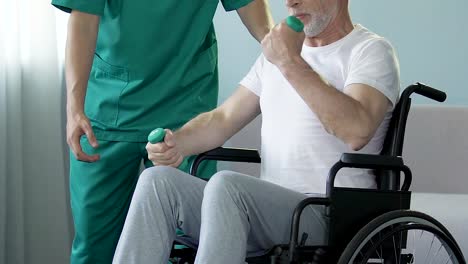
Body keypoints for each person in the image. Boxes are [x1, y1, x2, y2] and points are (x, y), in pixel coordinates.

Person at [112, 0, 400, 263]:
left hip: (329, 213)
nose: (290, 2)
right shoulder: (276, 57)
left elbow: (357, 130)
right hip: (265, 211)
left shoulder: (369, 50)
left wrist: (289, 61)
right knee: (156, 181)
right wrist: (177, 144)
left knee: (227, 186)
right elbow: (223, 118)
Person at [51, 0, 274, 263]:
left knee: (189, 240)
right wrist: (75, 108)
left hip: (185, 113)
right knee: (95, 244)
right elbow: (83, 17)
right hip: (108, 108)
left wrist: (286, 55)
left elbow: (252, 8)